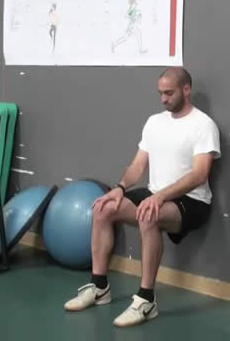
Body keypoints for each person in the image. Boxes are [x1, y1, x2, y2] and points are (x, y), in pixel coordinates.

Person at [64, 67, 221, 327]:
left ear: (186, 89)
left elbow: (200, 175)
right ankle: (99, 287)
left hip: (192, 200)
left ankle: (146, 300)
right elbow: (137, 166)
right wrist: (119, 188)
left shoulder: (203, 125)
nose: (163, 99)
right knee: (104, 208)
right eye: (160, 93)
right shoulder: (154, 122)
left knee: (149, 215)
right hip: (156, 193)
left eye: (169, 93)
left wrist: (159, 197)